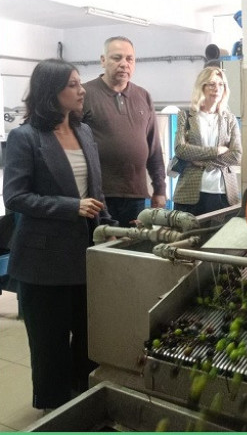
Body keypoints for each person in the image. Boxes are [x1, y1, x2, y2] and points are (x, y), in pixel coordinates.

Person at [3, 59, 116, 410]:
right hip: (43, 261)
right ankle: (54, 409)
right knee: (49, 343)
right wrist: (70, 206)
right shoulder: (25, 137)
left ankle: (84, 400)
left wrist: (110, 225)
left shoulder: (84, 133)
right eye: (73, 84)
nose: (82, 91)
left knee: (88, 337)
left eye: (80, 83)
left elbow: (94, 191)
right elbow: (15, 197)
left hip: (85, 255)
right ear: (51, 91)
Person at [82, 36, 166, 227]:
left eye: (129, 59)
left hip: (135, 195)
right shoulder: (84, 94)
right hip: (97, 196)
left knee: (131, 244)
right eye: (117, 58)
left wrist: (160, 189)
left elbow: (154, 148)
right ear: (103, 60)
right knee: (100, 243)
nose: (124, 64)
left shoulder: (143, 96)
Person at [172, 67, 241, 215]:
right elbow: (180, 149)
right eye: (211, 84)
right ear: (201, 87)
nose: (217, 88)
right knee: (188, 230)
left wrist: (203, 162)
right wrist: (216, 151)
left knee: (222, 231)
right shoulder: (185, 116)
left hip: (224, 193)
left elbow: (236, 155)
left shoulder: (230, 119)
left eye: (221, 84)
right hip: (189, 193)